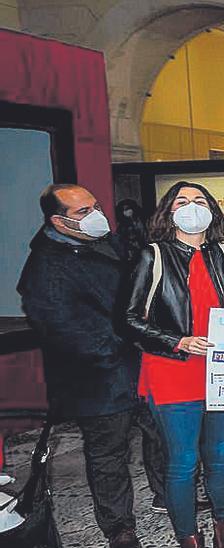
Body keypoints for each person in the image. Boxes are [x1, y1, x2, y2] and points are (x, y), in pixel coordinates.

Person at [18, 184, 166, 548]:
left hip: (140, 363)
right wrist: (122, 343)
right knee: (108, 454)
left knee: (161, 434)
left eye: (95, 206)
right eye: (83, 211)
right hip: (98, 376)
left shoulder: (104, 242)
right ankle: (119, 526)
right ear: (58, 220)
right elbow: (60, 327)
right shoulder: (45, 265)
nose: (95, 214)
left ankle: (168, 495)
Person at [123, 181, 224, 548]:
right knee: (183, 460)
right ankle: (188, 537)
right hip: (173, 370)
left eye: (199, 200)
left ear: (211, 209)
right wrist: (179, 341)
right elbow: (127, 319)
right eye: (182, 200)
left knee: (221, 456)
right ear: (169, 211)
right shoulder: (153, 255)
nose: (192, 207)